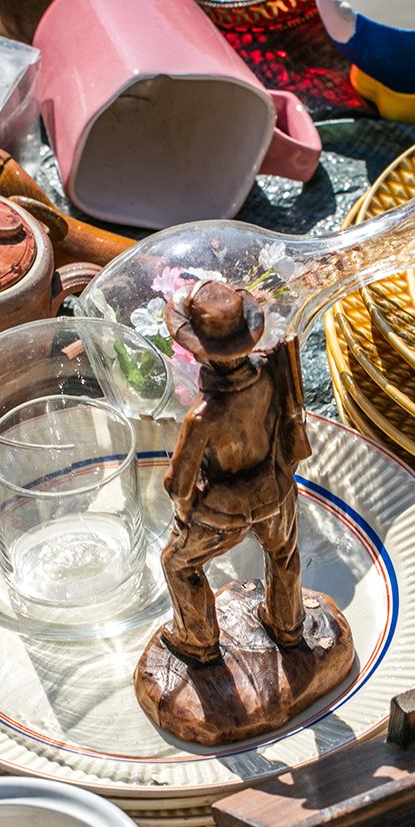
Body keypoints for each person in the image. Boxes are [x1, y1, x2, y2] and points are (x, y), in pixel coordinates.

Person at [157, 278, 310, 665]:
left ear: (200, 353)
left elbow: (179, 484)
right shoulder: (271, 377)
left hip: (222, 510)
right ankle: (288, 625)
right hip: (275, 489)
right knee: (284, 554)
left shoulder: (202, 416)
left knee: (177, 563)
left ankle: (197, 640)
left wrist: (183, 507)